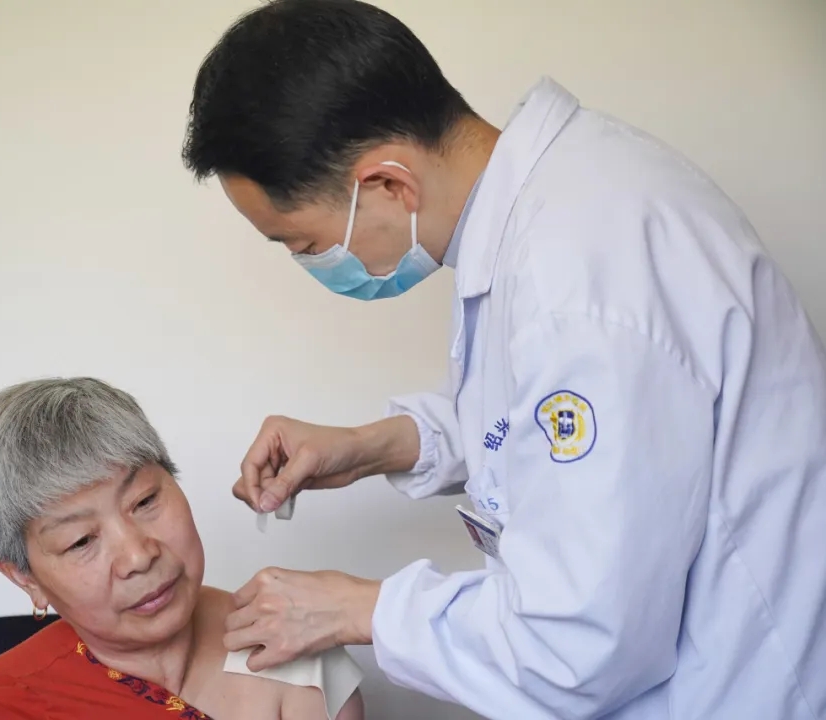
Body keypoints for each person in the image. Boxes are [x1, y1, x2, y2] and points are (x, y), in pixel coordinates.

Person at [180, 1, 826, 718]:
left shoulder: (576, 282)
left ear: (388, 185)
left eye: (305, 244)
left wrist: (357, 608)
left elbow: (578, 646)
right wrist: (376, 445)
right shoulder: (564, 198)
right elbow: (547, 425)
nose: (314, 265)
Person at [0, 377, 364, 720]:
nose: (139, 557)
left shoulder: (293, 644)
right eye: (81, 541)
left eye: (144, 501)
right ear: (25, 577)